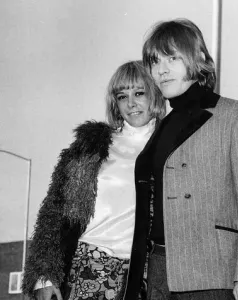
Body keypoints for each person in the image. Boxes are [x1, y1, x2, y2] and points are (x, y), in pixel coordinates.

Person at [124, 19, 238, 300]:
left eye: (172, 58)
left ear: (198, 58)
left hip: (213, 274)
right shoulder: (161, 127)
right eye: (155, 61)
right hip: (159, 275)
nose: (162, 70)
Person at [21, 60, 166, 300]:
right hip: (90, 267)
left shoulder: (173, 146)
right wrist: (43, 276)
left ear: (155, 95)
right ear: (115, 103)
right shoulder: (92, 146)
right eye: (122, 96)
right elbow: (55, 211)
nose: (131, 103)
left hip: (149, 273)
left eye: (139, 93)